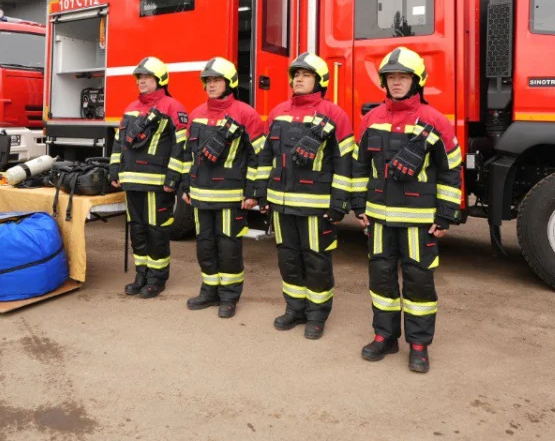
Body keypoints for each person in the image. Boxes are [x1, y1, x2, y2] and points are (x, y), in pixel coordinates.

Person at [352, 47, 463, 373]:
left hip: (419, 222)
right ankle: (384, 337)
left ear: (417, 81)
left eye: (403, 77)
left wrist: (445, 213)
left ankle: (418, 345)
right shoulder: (371, 120)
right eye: (391, 77)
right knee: (381, 280)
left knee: (418, 284)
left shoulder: (434, 121)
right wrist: (358, 204)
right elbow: (359, 168)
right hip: (380, 222)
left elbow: (450, 170)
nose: (396, 83)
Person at [252, 52, 355, 340]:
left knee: (316, 261)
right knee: (288, 258)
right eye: (296, 74)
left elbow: (344, 163)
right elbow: (266, 158)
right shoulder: (277, 112)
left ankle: (317, 315)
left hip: (316, 206)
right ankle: (295, 308)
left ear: (320, 80)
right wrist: (261, 192)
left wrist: (339, 202)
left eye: (306, 74)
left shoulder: (335, 115)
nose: (298, 78)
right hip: (281, 204)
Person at [180, 57, 265, 319]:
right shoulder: (195, 115)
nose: (211, 85)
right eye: (207, 81)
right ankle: (209, 291)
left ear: (230, 83)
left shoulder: (246, 114)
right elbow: (187, 156)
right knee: (205, 245)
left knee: (228, 247)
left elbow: (258, 157)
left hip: (231, 197)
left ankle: (229, 296)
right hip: (200, 195)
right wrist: (186, 185)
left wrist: (253, 193)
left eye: (216, 80)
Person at [107, 57, 190, 298]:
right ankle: (141, 274)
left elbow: (181, 147)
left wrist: (173, 178)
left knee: (157, 231)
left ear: (160, 80)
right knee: (138, 230)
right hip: (132, 181)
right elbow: (119, 142)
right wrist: (114, 170)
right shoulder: (131, 108)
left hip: (157, 184)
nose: (142, 81)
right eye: (140, 77)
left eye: (147, 77)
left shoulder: (173, 107)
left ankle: (157, 278)